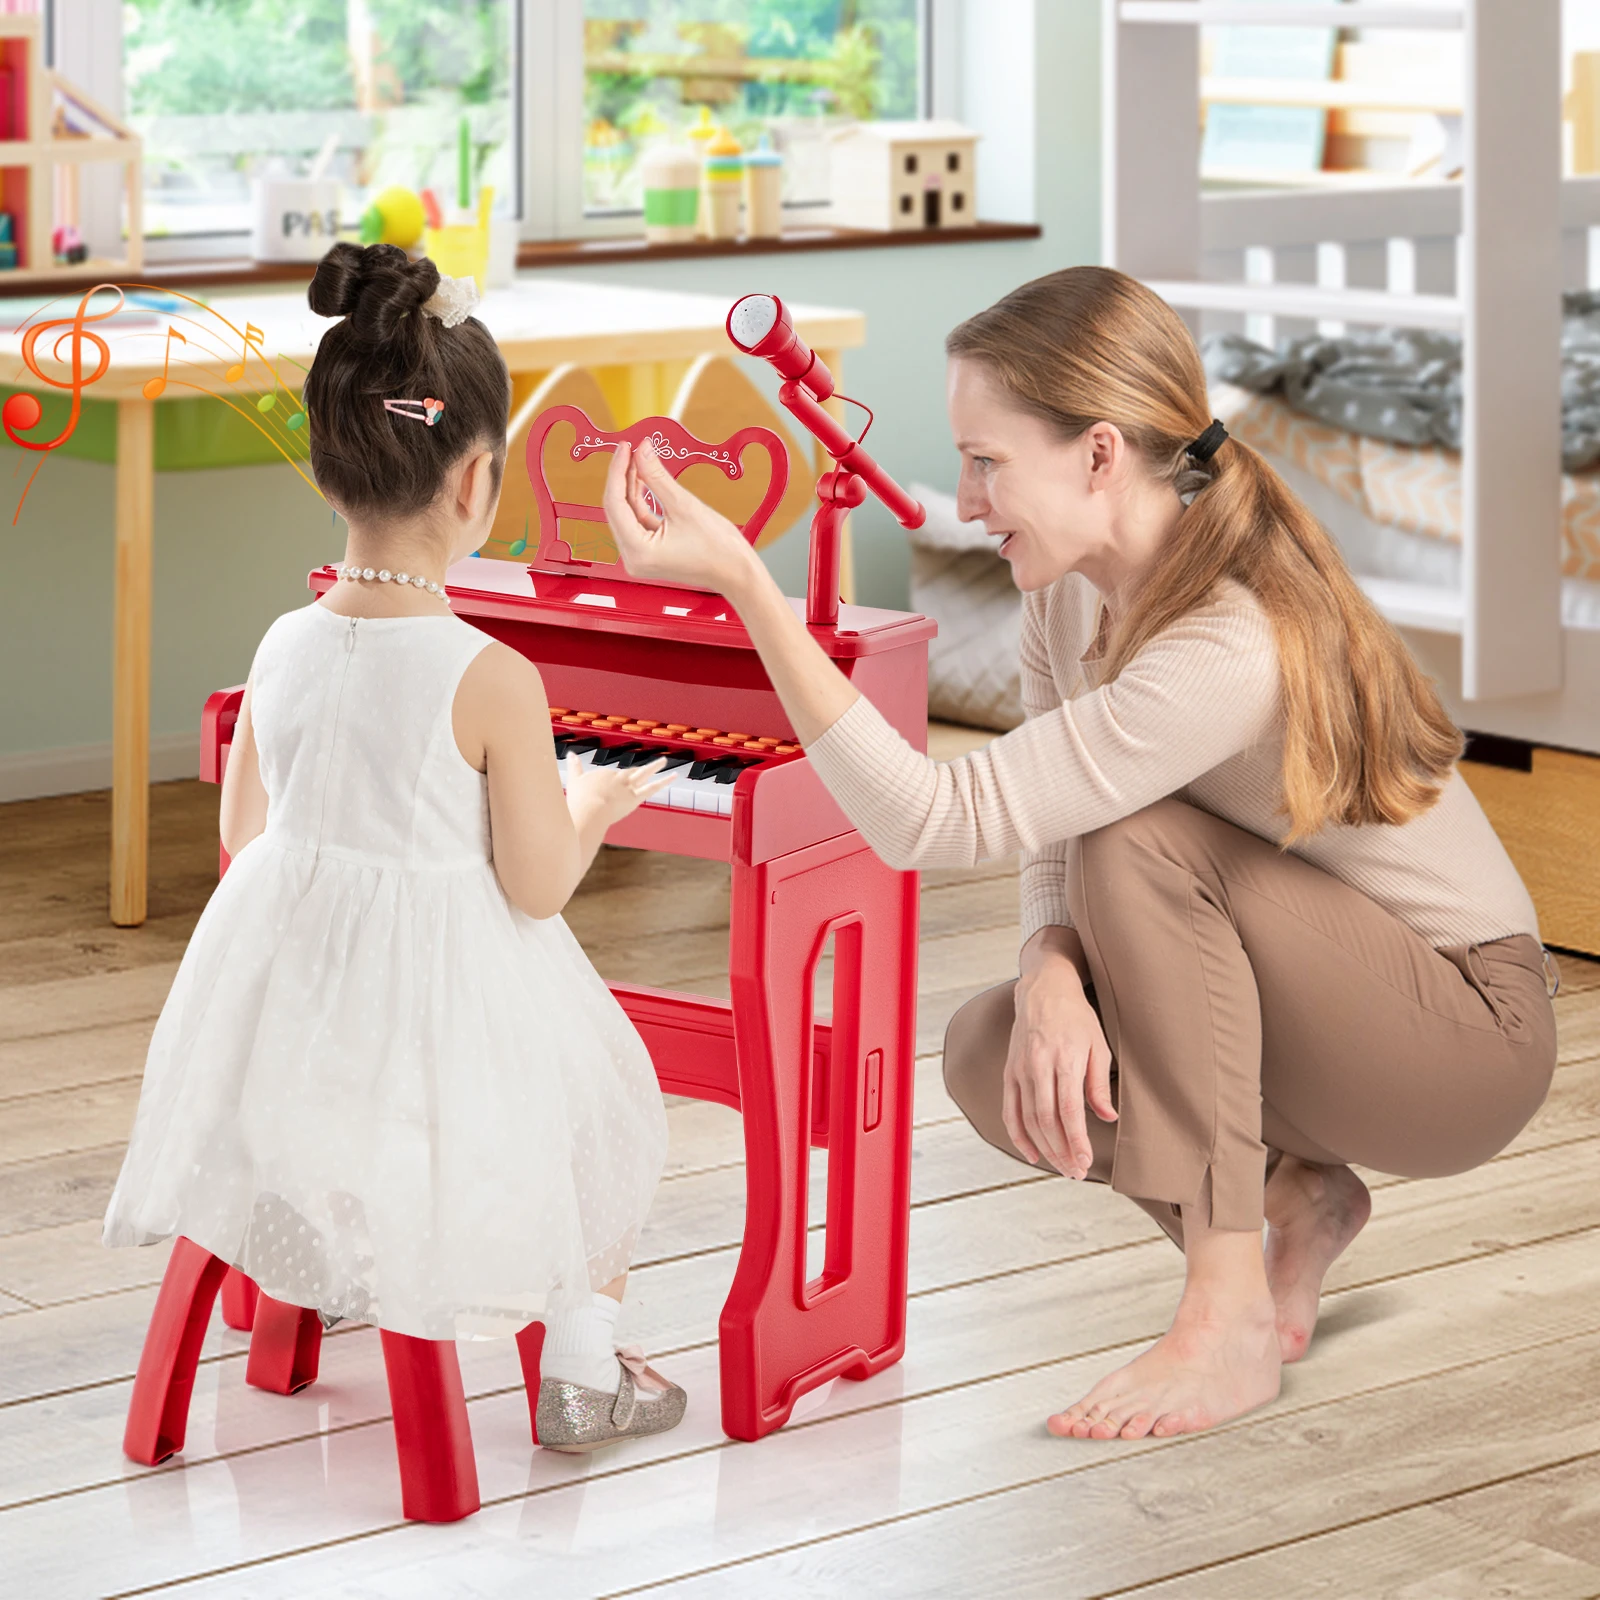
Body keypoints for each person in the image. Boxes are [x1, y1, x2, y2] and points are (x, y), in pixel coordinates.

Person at [596, 265, 1558, 1443]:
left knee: (1142, 837)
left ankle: (1226, 1315)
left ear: (1099, 454)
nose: (964, 496)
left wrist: (752, 590)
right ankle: (1291, 1194)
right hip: (1324, 1002)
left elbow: (933, 820)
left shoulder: (1225, 640)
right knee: (993, 1046)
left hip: (1464, 1037)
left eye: (987, 461)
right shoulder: (1070, 593)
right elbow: (1052, 822)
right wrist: (1050, 967)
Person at [103, 242, 686, 1454]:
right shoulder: (492, 676)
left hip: (287, 1030)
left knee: (569, 1094)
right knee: (605, 1104)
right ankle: (582, 1371)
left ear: (330, 472)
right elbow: (532, 890)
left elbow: (241, 834)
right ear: (478, 481)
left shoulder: (279, 641)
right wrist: (589, 808)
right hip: (435, 1029)